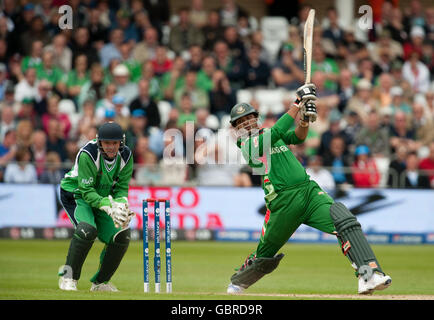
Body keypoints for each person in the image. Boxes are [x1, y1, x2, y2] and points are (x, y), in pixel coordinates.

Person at [226, 83, 392, 295]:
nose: (247, 122)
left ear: (255, 118)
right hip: (283, 203)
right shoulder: (248, 146)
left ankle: (369, 275)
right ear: (236, 128)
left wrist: (304, 120)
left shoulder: (268, 133)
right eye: (241, 121)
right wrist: (297, 103)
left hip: (309, 191)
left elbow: (298, 137)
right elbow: (277, 130)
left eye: (249, 117)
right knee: (264, 255)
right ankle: (238, 282)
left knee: (345, 220)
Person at [58, 121, 134, 292]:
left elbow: (121, 188)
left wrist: (121, 205)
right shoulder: (88, 155)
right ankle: (68, 277)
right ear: (100, 142)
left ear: (121, 142)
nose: (111, 147)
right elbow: (86, 190)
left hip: (101, 197)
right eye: (107, 143)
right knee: (87, 230)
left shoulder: (127, 156)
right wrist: (107, 205)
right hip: (76, 194)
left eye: (115, 143)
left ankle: (100, 283)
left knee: (122, 236)